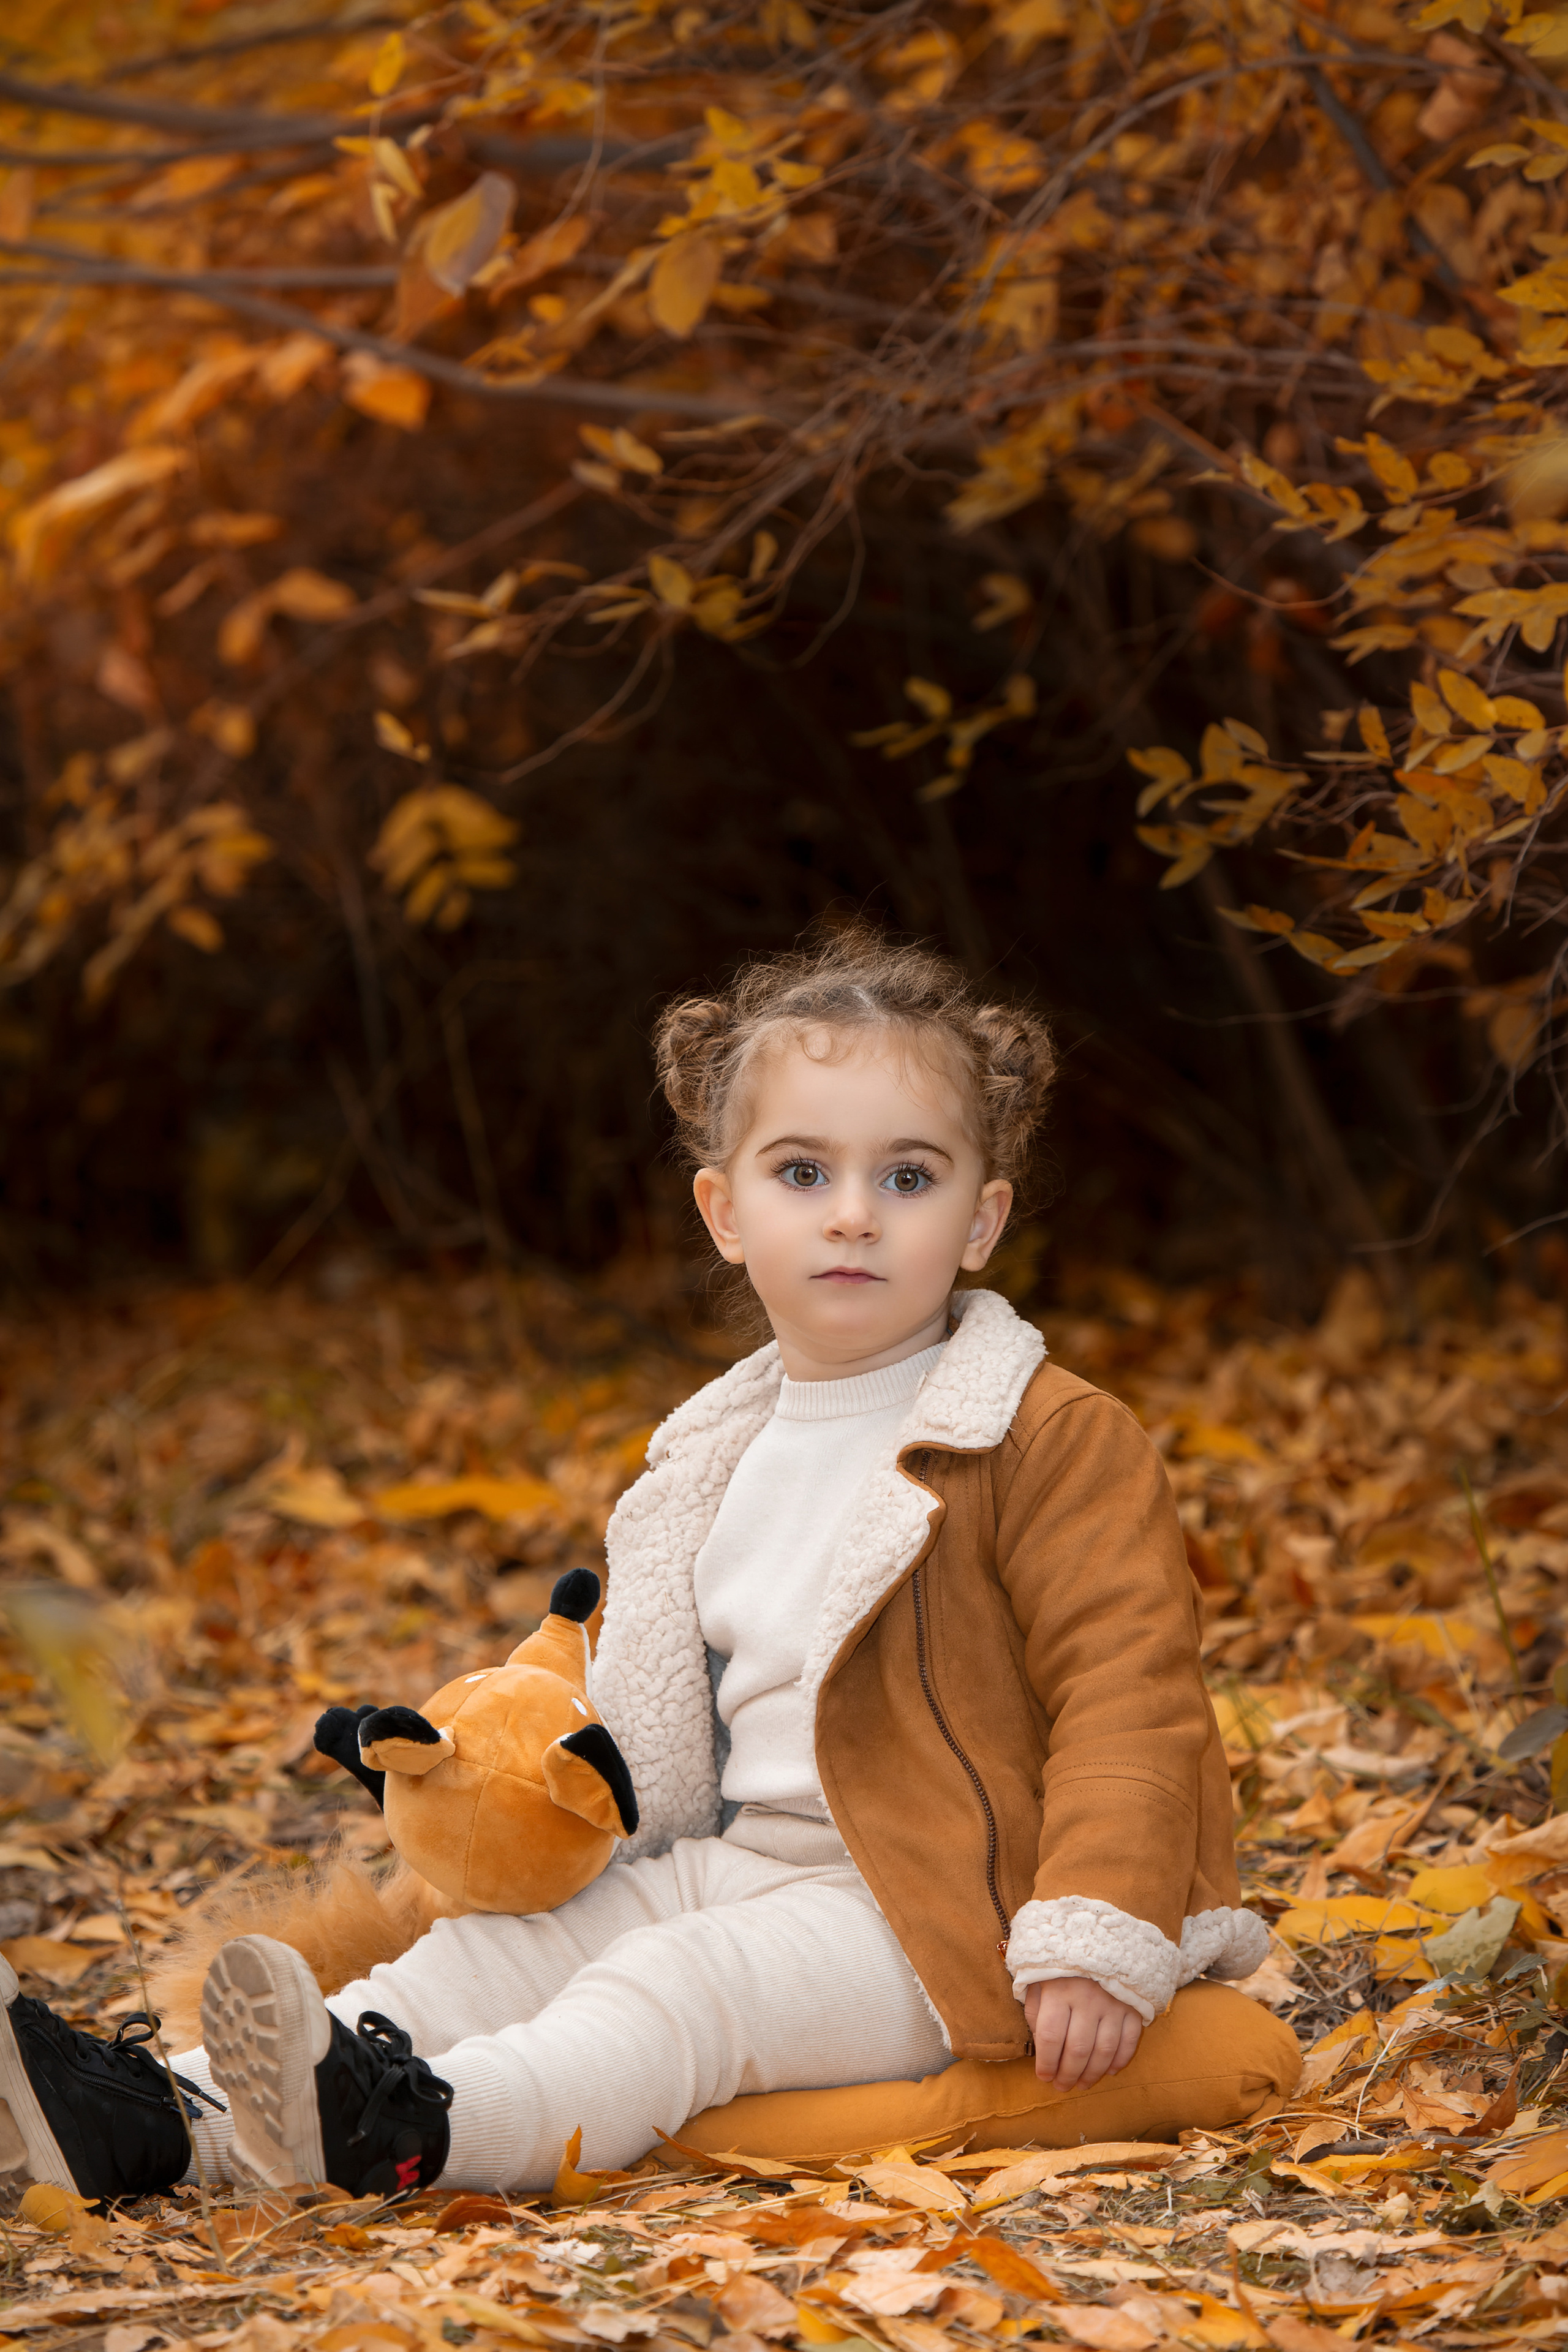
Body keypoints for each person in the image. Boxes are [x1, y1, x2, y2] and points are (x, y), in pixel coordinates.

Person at [0, 922, 1269, 2204]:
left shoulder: (1043, 1435)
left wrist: (1093, 1938)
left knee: (675, 1991)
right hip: (737, 1864)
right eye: (798, 1171)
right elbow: (653, 1724)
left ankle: (426, 2131)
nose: (848, 1213)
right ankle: (160, 2114)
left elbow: (1130, 1698)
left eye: (906, 1178)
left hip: (938, 1911)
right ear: (723, 1212)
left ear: (980, 1220)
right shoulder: (708, 1458)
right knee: (496, 1953)